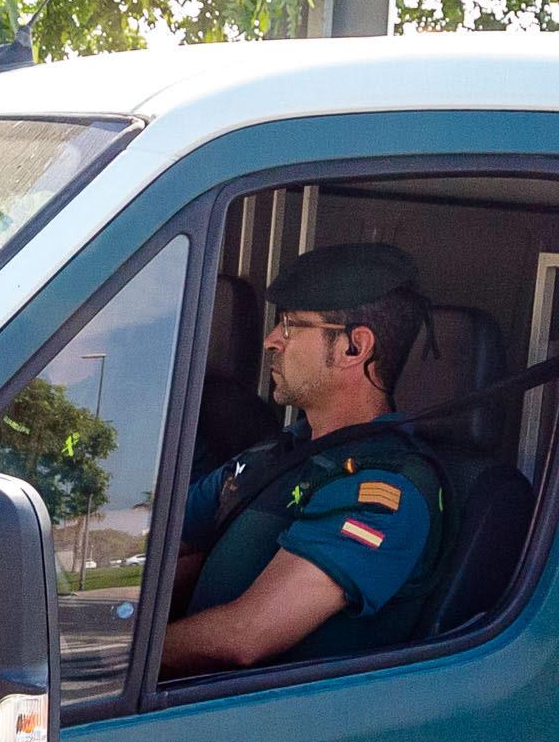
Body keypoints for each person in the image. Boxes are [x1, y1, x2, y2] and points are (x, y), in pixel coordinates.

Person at [160, 241, 448, 674]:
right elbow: (158, 536)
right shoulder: (280, 452)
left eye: (292, 326)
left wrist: (107, 658)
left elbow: (245, 636)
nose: (271, 341)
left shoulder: (386, 493)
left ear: (355, 348)